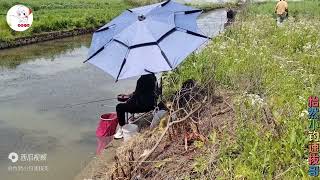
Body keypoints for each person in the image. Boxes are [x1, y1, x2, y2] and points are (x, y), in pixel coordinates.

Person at [114, 74, 158, 139]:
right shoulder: (153, 77)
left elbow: (137, 95)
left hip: (143, 107)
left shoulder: (142, 79)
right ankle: (130, 120)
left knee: (119, 107)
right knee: (129, 102)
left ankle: (121, 129)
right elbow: (139, 92)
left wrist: (127, 98)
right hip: (152, 104)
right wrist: (129, 95)